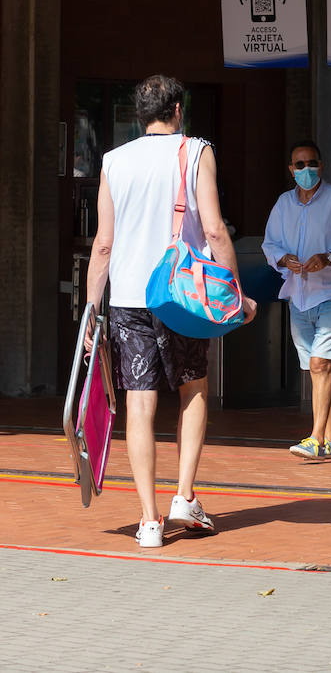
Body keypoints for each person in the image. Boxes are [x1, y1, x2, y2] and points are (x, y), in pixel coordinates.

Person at [84, 74, 257, 548]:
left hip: (128, 299)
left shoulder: (113, 162)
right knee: (193, 389)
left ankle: (149, 521)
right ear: (178, 109)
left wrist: (90, 313)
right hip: (181, 296)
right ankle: (184, 495)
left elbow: (103, 245)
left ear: (140, 115)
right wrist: (234, 296)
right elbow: (216, 229)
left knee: (139, 403)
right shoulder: (197, 152)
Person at [262, 139, 331, 460]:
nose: (306, 169)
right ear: (291, 170)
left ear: (321, 166)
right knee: (318, 369)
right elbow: (270, 244)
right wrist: (284, 259)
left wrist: (330, 257)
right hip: (299, 294)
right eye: (299, 164)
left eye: (311, 163)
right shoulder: (283, 204)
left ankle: (316, 439)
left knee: (319, 363)